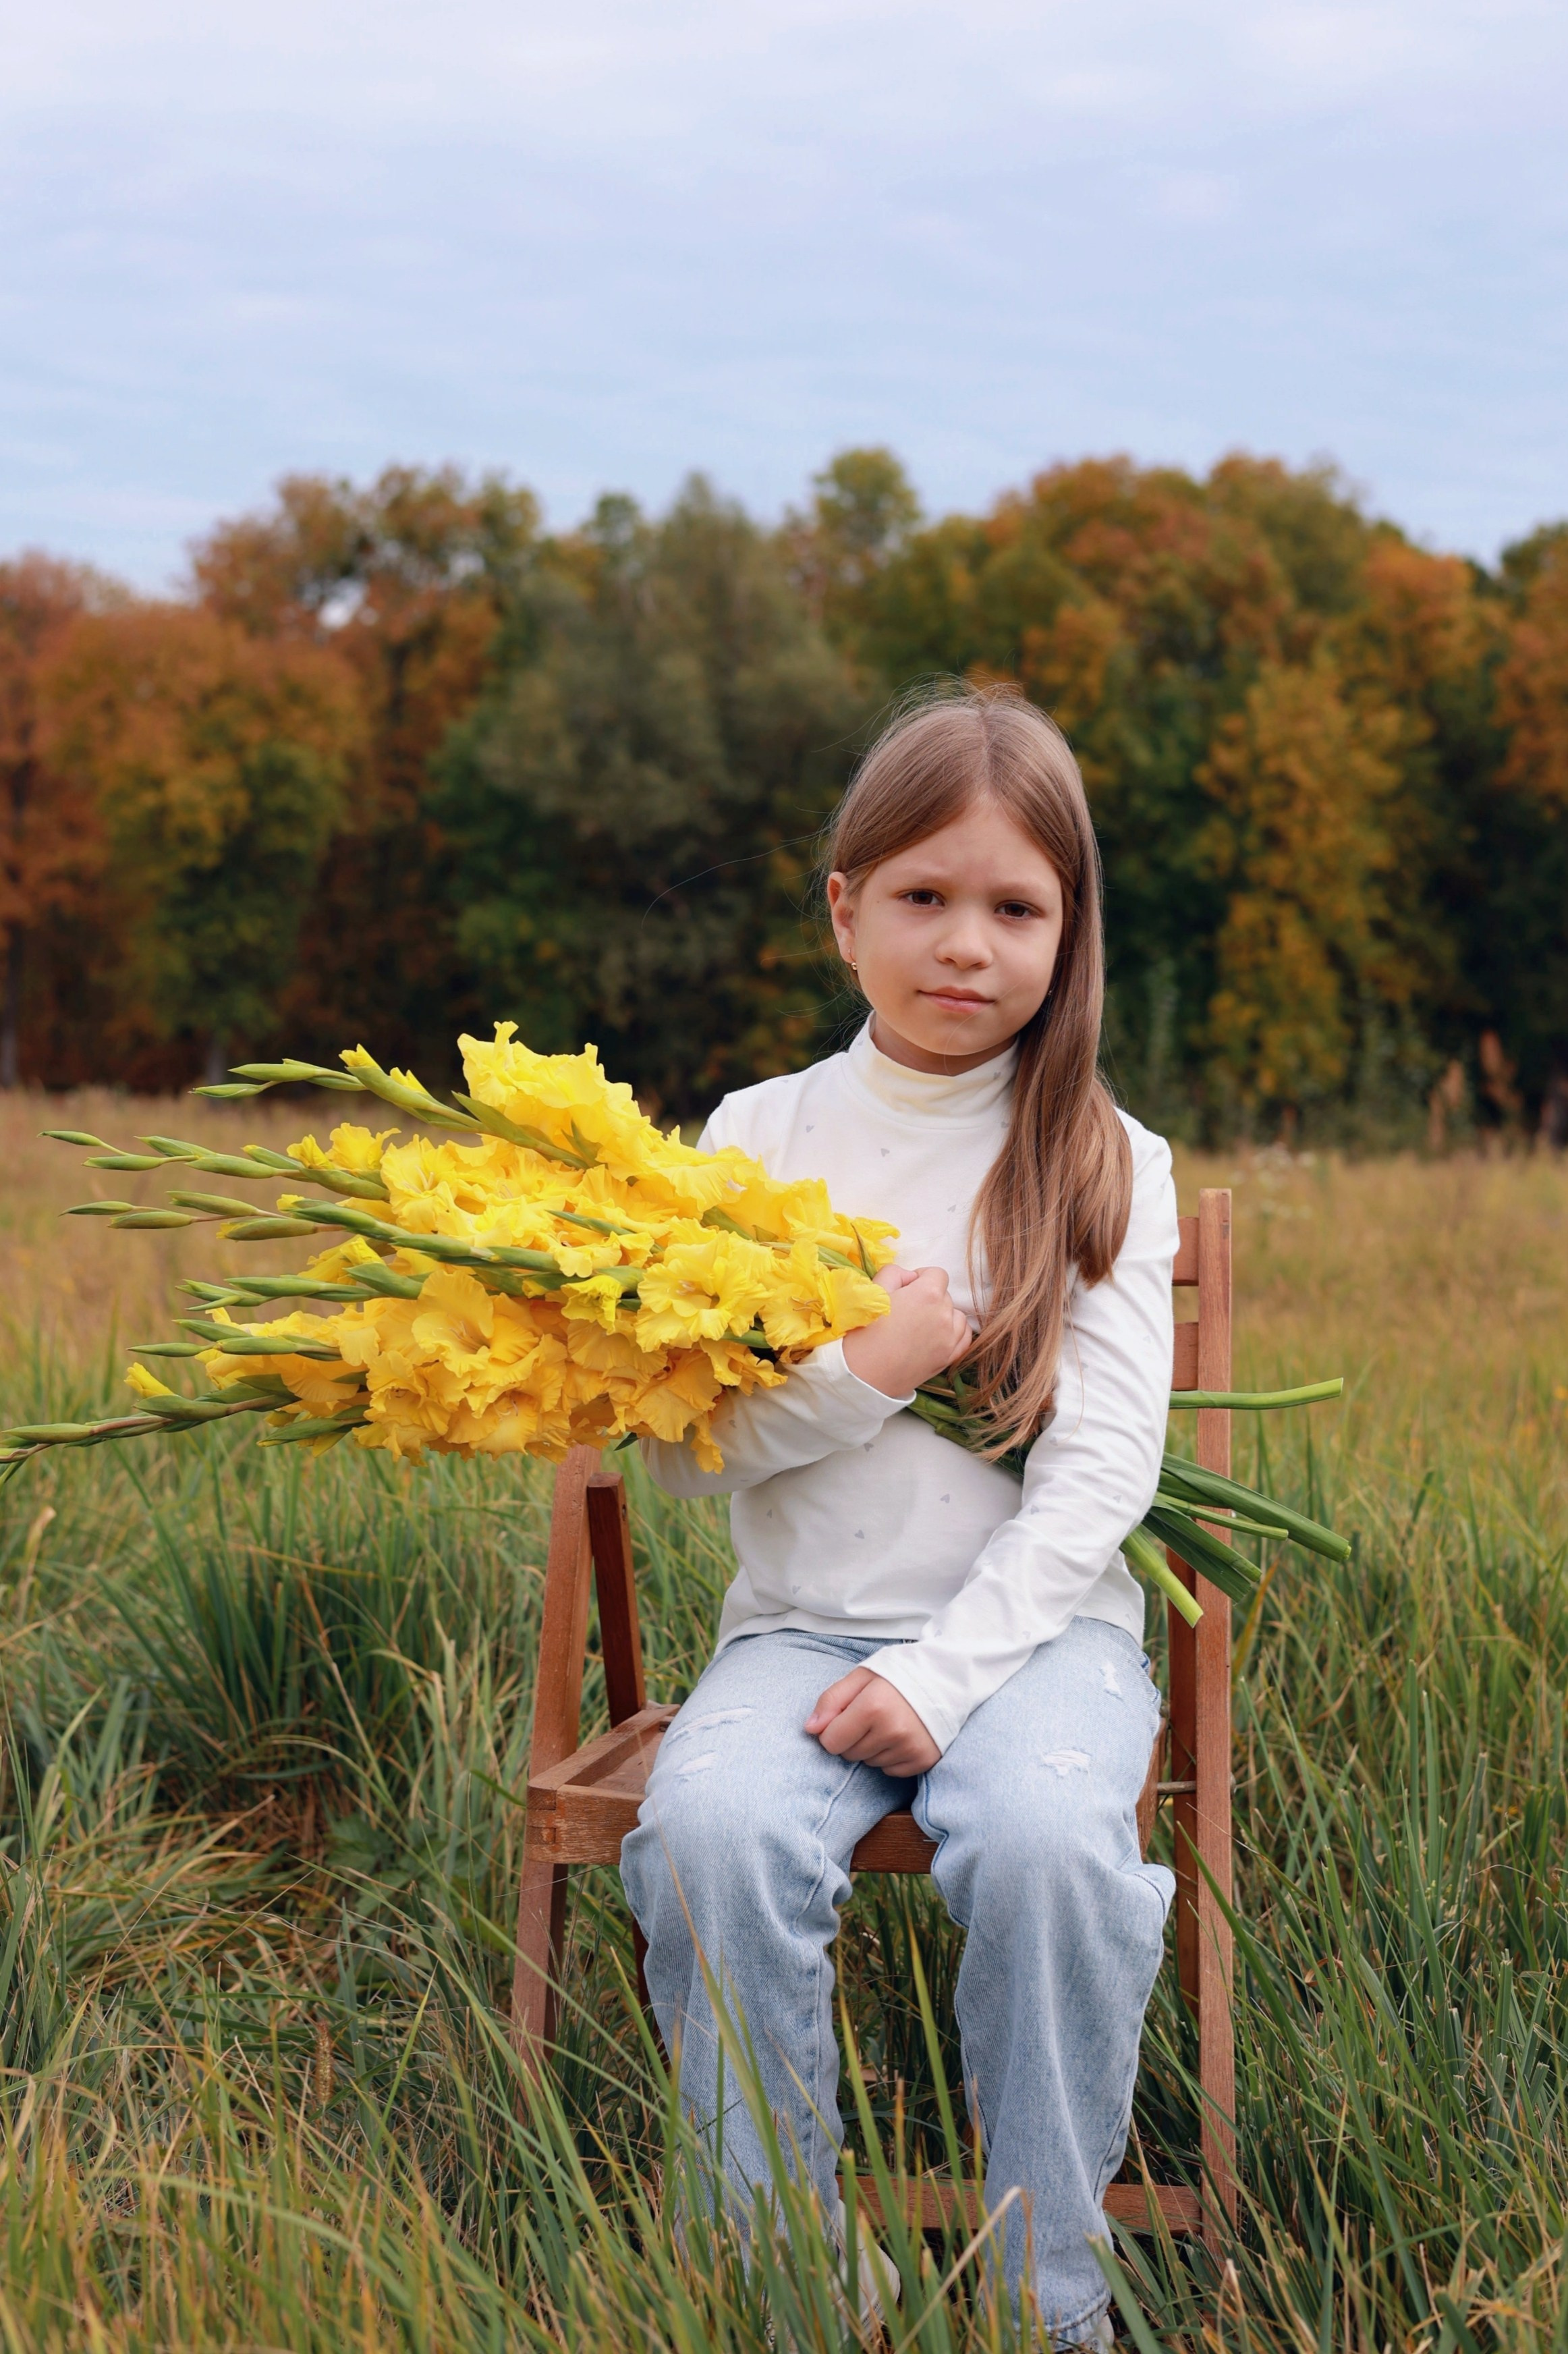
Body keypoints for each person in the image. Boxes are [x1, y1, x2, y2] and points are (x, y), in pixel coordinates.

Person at [620, 683, 1177, 2347]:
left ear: (1065, 932)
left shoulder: (1097, 1156)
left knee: (1050, 1844)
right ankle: (792, 2276)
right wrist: (871, 1368)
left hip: (1037, 1647)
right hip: (794, 1635)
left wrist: (940, 1679)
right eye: (924, 898)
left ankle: (1045, 2300)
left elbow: (1100, 1475)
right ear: (845, 909)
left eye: (1014, 907)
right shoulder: (755, 1142)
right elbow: (683, 1451)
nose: (966, 944)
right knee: (708, 1835)